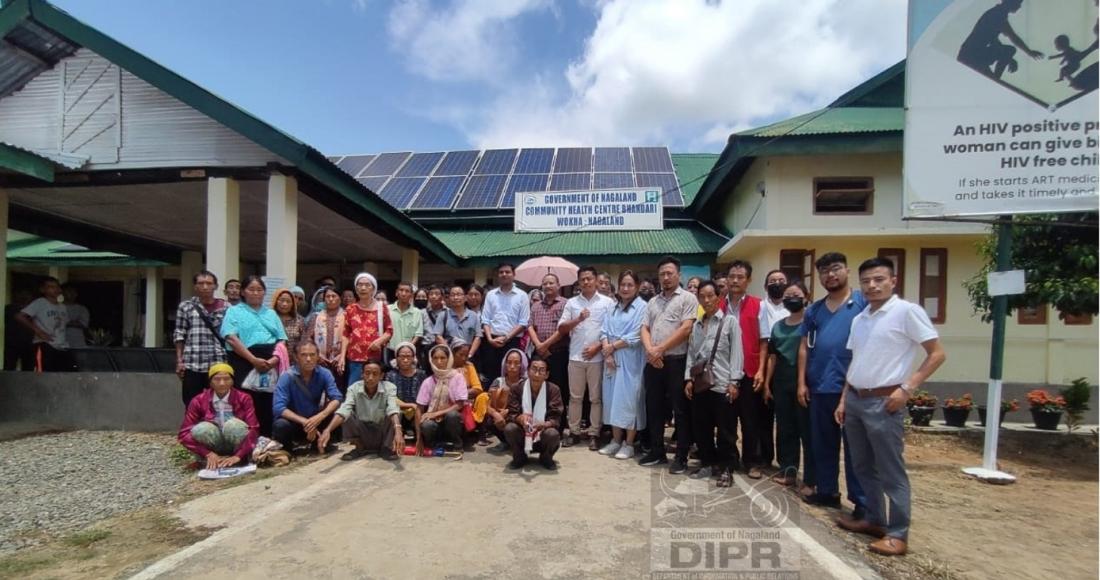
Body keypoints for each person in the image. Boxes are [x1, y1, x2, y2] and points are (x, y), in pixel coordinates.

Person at [835, 258, 946, 557]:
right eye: (867, 280)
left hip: (885, 401)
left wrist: (907, 388)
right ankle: (874, 519)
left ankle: (898, 532)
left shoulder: (907, 312)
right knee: (861, 466)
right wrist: (845, 398)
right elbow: (856, 361)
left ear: (893, 280)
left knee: (890, 470)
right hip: (857, 399)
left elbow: (936, 354)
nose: (872, 285)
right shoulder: (861, 319)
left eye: (879, 279)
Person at [798, 253, 867, 516]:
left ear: (847, 271)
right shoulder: (814, 310)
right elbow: (804, 347)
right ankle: (828, 491)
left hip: (853, 387)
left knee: (855, 448)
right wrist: (802, 382)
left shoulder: (862, 304)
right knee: (823, 444)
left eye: (835, 269)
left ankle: (861, 502)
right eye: (824, 271)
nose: (830, 275)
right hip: (820, 385)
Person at [639, 256, 698, 473]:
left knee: (680, 410)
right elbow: (644, 328)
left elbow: (685, 329)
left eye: (669, 273)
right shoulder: (653, 301)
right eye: (662, 273)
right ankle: (657, 451)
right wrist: (651, 351)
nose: (665, 277)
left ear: (678, 275)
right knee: (653, 407)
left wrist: (659, 349)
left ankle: (681, 456)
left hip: (676, 361)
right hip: (654, 362)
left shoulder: (688, 298)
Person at [684, 280, 743, 487]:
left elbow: (737, 353)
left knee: (726, 431)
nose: (707, 300)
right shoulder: (697, 325)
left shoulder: (730, 322)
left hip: (722, 384)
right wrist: (688, 379)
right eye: (702, 296)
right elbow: (691, 355)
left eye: (710, 296)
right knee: (702, 428)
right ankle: (708, 463)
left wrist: (734, 382)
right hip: (701, 385)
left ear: (718, 297)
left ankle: (726, 468)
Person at [221, 275, 288, 438]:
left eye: (259, 290)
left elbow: (282, 340)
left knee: (268, 401)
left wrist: (274, 360)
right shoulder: (234, 311)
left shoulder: (271, 313)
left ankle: (266, 439)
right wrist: (253, 360)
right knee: (246, 401)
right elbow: (231, 337)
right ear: (243, 292)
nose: (256, 293)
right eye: (251, 289)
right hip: (244, 360)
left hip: (269, 362)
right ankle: (246, 441)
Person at [558, 266, 616, 449]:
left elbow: (612, 331)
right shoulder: (572, 303)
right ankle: (574, 431)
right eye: (582, 279)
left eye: (589, 278)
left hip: (597, 358)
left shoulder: (607, 303)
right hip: (575, 357)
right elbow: (561, 328)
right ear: (578, 282)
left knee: (596, 398)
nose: (586, 282)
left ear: (596, 280)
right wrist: (578, 319)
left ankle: (594, 433)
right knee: (575, 397)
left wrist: (597, 347)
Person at [719, 261, 767, 479]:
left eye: (740, 277)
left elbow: (765, 341)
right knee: (727, 419)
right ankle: (729, 459)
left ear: (749, 280)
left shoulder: (759, 305)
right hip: (724, 372)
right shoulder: (718, 305)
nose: (735, 280)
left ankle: (752, 461)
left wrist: (761, 370)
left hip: (749, 371)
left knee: (750, 420)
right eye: (732, 276)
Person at [766, 281, 814, 495]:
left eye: (796, 294)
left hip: (805, 382)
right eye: (788, 295)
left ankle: (811, 478)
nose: (791, 298)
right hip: (781, 381)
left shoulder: (812, 323)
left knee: (807, 430)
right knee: (785, 428)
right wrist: (767, 384)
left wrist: (803, 383)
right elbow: (772, 357)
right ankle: (788, 470)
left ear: (806, 297)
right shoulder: (778, 325)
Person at [598, 270, 647, 460]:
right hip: (610, 359)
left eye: (630, 285)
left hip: (631, 360)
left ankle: (629, 443)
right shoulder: (612, 307)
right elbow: (603, 331)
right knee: (611, 400)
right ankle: (615, 441)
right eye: (623, 285)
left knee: (629, 401)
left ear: (636, 287)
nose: (625, 289)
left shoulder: (642, 307)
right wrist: (607, 351)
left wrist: (611, 347)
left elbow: (636, 335)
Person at [178, 363, 260, 469]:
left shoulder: (244, 398)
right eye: (217, 379)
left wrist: (238, 455)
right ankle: (209, 460)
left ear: (232, 381)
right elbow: (184, 434)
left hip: (237, 446)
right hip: (213, 446)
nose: (222, 383)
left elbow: (253, 429)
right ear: (210, 382)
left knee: (233, 425)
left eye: (226, 379)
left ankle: (241, 459)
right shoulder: (198, 400)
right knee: (201, 429)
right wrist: (207, 453)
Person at [320, 359, 404, 461]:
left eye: (375, 374)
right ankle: (359, 448)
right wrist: (328, 430)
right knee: (346, 413)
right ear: (362, 374)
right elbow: (344, 409)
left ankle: (386, 448)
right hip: (362, 431)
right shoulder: (354, 388)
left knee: (396, 413)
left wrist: (398, 431)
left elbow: (392, 408)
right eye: (367, 373)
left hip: (382, 432)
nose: (370, 378)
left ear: (381, 376)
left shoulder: (390, 387)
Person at [272, 341, 343, 452]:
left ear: (318, 356)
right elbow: (278, 408)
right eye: (304, 355)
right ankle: (287, 451)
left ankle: (322, 443)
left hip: (315, 419)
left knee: (338, 412)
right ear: (296, 357)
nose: (308, 359)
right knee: (280, 425)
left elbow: (337, 398)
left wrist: (320, 416)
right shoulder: (286, 377)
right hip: (295, 422)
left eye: (312, 355)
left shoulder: (325, 373)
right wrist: (305, 422)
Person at [174, 270, 229, 406]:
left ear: (215, 286)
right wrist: (179, 361)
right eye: (201, 283)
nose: (205, 287)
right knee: (192, 403)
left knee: (219, 403)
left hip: (218, 362)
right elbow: (179, 334)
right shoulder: (186, 307)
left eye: (209, 283)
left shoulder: (227, 307)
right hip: (193, 362)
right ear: (195, 286)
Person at [504, 357, 564, 470]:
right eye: (534, 369)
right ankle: (519, 457)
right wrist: (520, 418)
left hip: (542, 434)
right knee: (510, 428)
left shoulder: (553, 390)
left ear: (546, 374)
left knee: (553, 434)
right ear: (527, 371)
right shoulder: (516, 388)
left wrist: (544, 424)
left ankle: (546, 458)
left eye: (541, 370)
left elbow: (556, 418)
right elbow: (511, 414)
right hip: (523, 432)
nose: (537, 374)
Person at [528, 273, 569, 431]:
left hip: (558, 353)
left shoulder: (566, 304)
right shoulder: (536, 306)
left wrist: (545, 345)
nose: (548, 286)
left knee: (559, 390)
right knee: (537, 387)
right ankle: (537, 423)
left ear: (558, 285)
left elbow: (563, 329)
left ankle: (557, 427)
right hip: (539, 354)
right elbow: (530, 325)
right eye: (545, 283)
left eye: (551, 283)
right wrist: (539, 345)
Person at [481, 263, 530, 381]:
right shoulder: (491, 295)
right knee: (492, 375)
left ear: (514, 275)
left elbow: (523, 322)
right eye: (501, 272)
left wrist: (506, 338)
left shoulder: (522, 295)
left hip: (512, 341)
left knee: (512, 376)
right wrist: (490, 339)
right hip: (492, 341)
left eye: (507, 272)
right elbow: (485, 319)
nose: (504, 274)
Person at [342, 272, 393, 386]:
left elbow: (389, 330)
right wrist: (342, 357)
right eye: (359, 285)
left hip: (374, 358)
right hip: (354, 358)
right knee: (354, 389)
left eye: (367, 285)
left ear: (373, 289)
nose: (363, 288)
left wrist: (379, 341)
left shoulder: (381, 307)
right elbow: (345, 333)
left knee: (373, 389)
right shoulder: (350, 309)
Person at [16, 276, 73, 372]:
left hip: (62, 345)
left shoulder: (62, 307)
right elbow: (19, 316)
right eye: (50, 286)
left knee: (61, 375)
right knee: (44, 374)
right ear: (42, 290)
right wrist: (39, 331)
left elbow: (64, 323)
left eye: (56, 287)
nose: (54, 289)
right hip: (44, 344)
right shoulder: (40, 302)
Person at [416, 344, 467, 449]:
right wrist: (419, 438)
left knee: (452, 415)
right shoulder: (428, 381)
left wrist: (436, 413)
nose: (439, 362)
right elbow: (419, 408)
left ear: (449, 359)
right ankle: (434, 443)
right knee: (426, 425)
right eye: (435, 358)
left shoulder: (457, 377)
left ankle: (456, 443)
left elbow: (460, 404)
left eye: (442, 358)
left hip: (453, 422)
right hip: (435, 422)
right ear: (431, 360)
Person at [484, 348, 527, 451]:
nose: (512, 366)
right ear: (505, 364)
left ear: (522, 365)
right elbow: (488, 405)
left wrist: (508, 411)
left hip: (518, 416)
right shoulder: (498, 381)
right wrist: (496, 414)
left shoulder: (526, 383)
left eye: (516, 363)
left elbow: (527, 406)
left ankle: (519, 443)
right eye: (509, 363)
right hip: (501, 416)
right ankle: (505, 442)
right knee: (490, 420)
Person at [306, 286, 346, 391]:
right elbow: (308, 339)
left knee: (338, 391)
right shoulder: (316, 316)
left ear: (340, 298)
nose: (331, 299)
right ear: (324, 300)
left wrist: (342, 355)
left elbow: (351, 338)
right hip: (319, 361)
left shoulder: (347, 316)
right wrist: (317, 355)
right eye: (328, 296)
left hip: (340, 362)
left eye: (334, 296)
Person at [384, 341, 425, 443]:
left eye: (409, 356)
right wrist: (409, 405)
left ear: (413, 357)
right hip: (398, 411)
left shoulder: (421, 374)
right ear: (396, 358)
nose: (405, 360)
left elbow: (425, 396)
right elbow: (390, 397)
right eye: (402, 357)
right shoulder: (390, 375)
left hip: (417, 411)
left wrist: (417, 407)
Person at [387, 281, 423, 363]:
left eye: (407, 291)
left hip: (408, 352)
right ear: (396, 293)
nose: (403, 293)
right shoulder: (387, 310)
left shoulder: (417, 312)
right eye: (401, 290)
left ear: (411, 295)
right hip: (390, 351)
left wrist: (407, 348)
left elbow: (418, 334)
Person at [443, 284, 482, 359]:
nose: (456, 297)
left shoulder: (473, 316)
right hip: (449, 356)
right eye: (453, 295)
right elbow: (438, 337)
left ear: (465, 298)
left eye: (459, 294)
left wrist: (470, 354)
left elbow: (478, 337)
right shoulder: (443, 315)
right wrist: (449, 352)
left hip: (468, 355)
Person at [4, 289, 35, 370]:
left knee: (28, 369)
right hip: (11, 343)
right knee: (9, 368)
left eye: (27, 294)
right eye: (21, 293)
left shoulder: (35, 311)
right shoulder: (9, 308)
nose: (24, 296)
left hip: (29, 343)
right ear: (16, 295)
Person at [273, 288, 306, 356]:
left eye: (288, 301)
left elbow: (304, 342)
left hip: (293, 362)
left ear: (292, 304)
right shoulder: (269, 318)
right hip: (272, 360)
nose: (284, 304)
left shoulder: (299, 320)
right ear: (276, 301)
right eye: (282, 300)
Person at [61, 283, 90, 348]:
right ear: (63, 293)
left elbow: (84, 324)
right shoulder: (57, 307)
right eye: (69, 291)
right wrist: (74, 322)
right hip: (61, 342)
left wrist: (66, 321)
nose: (71, 294)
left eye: (73, 291)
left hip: (78, 343)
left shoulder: (82, 309)